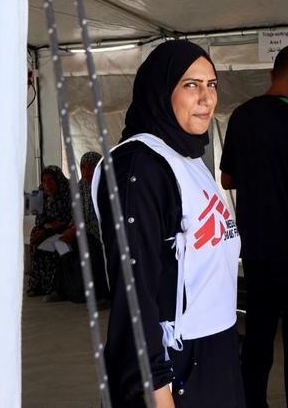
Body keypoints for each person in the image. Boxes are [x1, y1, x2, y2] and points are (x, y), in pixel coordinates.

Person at [93, 41, 244, 408]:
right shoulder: (138, 167)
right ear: (162, 90)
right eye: (191, 85)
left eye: (212, 85)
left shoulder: (190, 159)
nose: (206, 98)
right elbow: (135, 295)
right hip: (175, 367)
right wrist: (158, 392)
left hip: (216, 350)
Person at [220, 45, 288, 408]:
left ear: (272, 74)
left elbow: (227, 178)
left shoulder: (240, 116)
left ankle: (252, 402)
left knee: (259, 331)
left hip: (254, 244)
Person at [54, 151, 110, 304]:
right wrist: (73, 230)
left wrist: (79, 230)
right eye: (84, 167)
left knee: (92, 248)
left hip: (102, 233)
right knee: (60, 245)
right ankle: (64, 290)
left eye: (91, 168)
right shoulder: (80, 187)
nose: (87, 172)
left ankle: (102, 295)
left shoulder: (106, 186)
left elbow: (101, 217)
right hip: (83, 231)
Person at [27, 165, 73, 297]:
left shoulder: (68, 191)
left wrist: (48, 230)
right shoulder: (40, 192)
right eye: (44, 181)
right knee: (35, 239)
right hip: (48, 229)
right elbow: (38, 218)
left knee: (53, 246)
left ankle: (52, 287)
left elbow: (66, 220)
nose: (47, 185)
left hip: (66, 230)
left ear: (58, 180)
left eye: (51, 180)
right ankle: (36, 284)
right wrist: (43, 229)